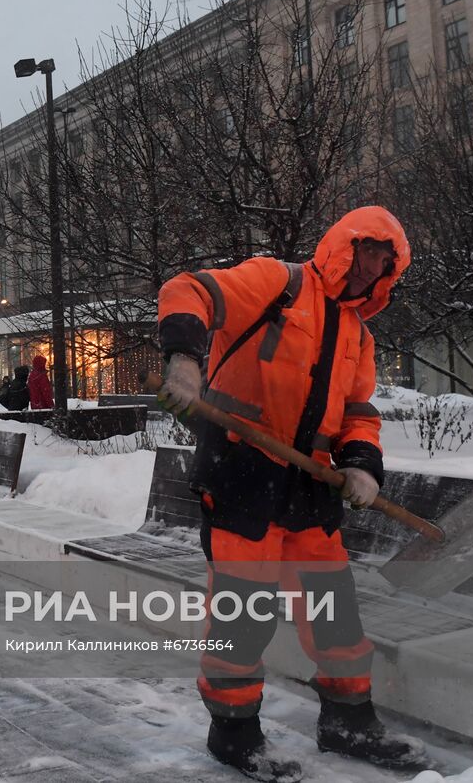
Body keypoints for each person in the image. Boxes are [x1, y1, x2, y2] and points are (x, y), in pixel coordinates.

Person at [156, 206, 425, 781]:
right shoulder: (277, 283)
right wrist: (183, 357)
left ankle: (348, 720)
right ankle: (233, 731)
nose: (372, 268)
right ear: (343, 246)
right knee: (243, 613)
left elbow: (358, 412)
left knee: (334, 613)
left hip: (309, 486)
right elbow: (188, 289)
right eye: (367, 253)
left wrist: (361, 464)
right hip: (242, 471)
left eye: (385, 262)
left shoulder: (358, 334)